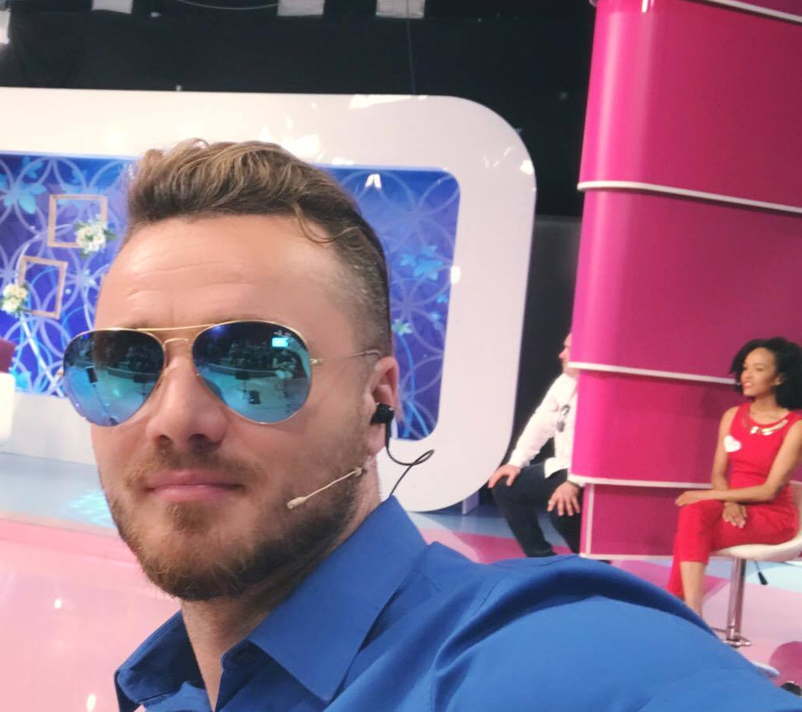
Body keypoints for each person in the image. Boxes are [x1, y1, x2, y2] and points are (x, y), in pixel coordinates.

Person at [58, 140, 802, 711]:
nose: (175, 419)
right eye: (124, 364)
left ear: (378, 400)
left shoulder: (543, 659)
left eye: (257, 362)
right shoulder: (171, 689)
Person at [668, 337, 802, 614]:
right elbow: (718, 473)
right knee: (693, 516)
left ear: (779, 378)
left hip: (772, 515)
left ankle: (681, 608)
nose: (747, 376)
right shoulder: (732, 416)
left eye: (758, 369)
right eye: (745, 368)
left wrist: (712, 496)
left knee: (692, 531)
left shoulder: (795, 426)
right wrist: (728, 501)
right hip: (732, 505)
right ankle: (691, 610)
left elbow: (769, 490)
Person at [487, 334, 582, 557]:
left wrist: (574, 483)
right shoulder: (563, 382)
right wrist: (516, 462)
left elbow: (602, 447)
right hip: (562, 467)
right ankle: (541, 558)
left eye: (569, 349)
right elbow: (541, 423)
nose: (561, 355)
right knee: (505, 486)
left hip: (589, 475)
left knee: (562, 512)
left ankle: (596, 567)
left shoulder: (604, 391)